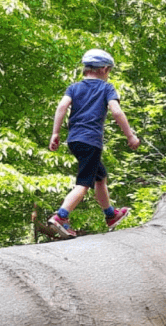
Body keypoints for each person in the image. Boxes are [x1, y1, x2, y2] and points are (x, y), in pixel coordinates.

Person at [47, 48, 140, 238]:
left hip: (74, 139)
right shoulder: (107, 88)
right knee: (83, 184)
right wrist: (130, 135)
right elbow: (116, 111)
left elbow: (62, 106)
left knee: (100, 177)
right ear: (105, 69)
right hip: (91, 141)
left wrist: (55, 133)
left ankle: (110, 215)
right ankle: (61, 216)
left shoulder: (74, 87)